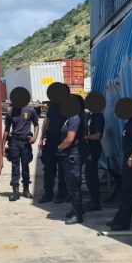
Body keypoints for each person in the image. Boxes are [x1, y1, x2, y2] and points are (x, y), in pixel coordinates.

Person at [107, 98, 132, 231]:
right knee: (125, 191)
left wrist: (131, 159)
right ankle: (119, 218)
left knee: (128, 192)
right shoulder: (128, 125)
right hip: (128, 160)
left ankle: (123, 223)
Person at [3, 87, 39, 201]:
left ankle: (26, 189)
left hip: (25, 142)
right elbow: (6, 130)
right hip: (14, 142)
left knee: (25, 165)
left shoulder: (30, 111)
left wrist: (35, 138)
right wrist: (2, 145)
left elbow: (36, 125)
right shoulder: (10, 113)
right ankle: (15, 191)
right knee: (15, 166)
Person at [38, 82, 70, 204]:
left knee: (63, 169)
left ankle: (62, 193)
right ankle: (48, 193)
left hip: (63, 141)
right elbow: (47, 122)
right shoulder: (53, 106)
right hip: (51, 141)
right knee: (49, 168)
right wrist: (42, 138)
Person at [57, 94, 86, 224]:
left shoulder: (74, 118)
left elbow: (69, 139)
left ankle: (78, 215)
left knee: (74, 185)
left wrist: (60, 147)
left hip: (73, 155)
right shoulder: (70, 118)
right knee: (71, 185)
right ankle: (76, 209)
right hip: (69, 155)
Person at [82, 92, 106, 212]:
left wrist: (85, 137)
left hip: (93, 149)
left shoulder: (98, 117)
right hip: (89, 148)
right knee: (88, 175)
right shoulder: (91, 115)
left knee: (91, 175)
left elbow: (97, 136)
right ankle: (93, 200)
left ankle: (95, 202)